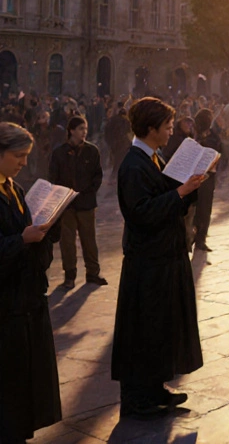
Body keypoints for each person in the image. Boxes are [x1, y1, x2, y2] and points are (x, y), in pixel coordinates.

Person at [111, 97, 206, 418]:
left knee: (161, 327)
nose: (170, 131)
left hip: (166, 256)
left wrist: (190, 185)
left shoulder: (153, 158)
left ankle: (155, 388)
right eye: (166, 126)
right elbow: (140, 212)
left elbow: (165, 196)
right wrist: (179, 193)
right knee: (144, 328)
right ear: (150, 129)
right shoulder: (133, 164)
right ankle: (137, 396)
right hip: (147, 262)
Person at [0, 123, 62, 443]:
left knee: (23, 385)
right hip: (5, 306)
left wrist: (45, 229)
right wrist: (20, 240)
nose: (23, 162)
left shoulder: (15, 188)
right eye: (18, 156)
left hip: (25, 301)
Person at [48, 115, 105, 289]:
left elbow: (97, 175)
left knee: (89, 240)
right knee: (67, 242)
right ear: (71, 131)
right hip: (66, 205)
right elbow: (53, 177)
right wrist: (61, 196)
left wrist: (88, 191)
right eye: (81, 129)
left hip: (86, 203)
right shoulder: (59, 153)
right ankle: (70, 275)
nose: (84, 132)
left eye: (85, 129)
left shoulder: (92, 151)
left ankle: (93, 273)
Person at [187, 109, 221, 253]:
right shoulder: (194, 137)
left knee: (203, 207)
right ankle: (196, 236)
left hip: (205, 176)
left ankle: (200, 237)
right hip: (198, 176)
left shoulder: (211, 136)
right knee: (198, 207)